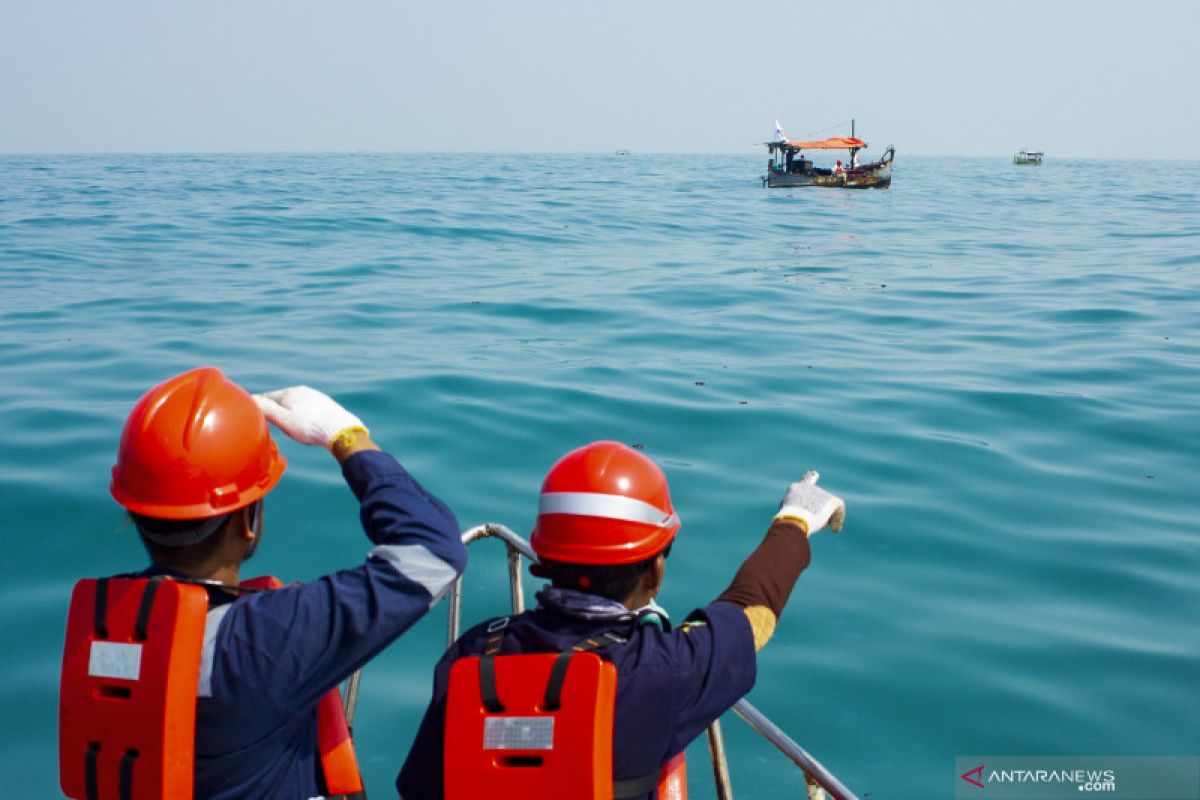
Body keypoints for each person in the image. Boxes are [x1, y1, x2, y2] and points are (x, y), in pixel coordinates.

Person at [63, 367, 466, 799]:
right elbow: (434, 552)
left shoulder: (100, 629)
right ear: (248, 522)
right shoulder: (264, 639)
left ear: (135, 511)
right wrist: (345, 436)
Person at [396, 440, 844, 799]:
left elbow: (417, 786)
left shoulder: (473, 653)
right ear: (655, 571)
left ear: (543, 558)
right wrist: (795, 519)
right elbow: (752, 613)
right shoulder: (664, 668)